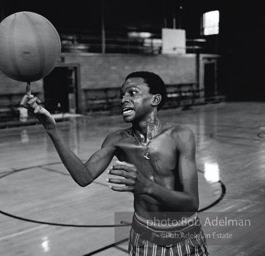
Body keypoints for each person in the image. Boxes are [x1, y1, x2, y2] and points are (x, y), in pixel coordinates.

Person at [20, 71, 208, 256]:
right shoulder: (117, 140)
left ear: (155, 100)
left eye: (132, 93)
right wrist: (51, 129)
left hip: (185, 236)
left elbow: (191, 203)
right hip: (145, 238)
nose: (123, 99)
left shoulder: (180, 135)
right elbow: (83, 177)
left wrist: (146, 186)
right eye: (122, 95)